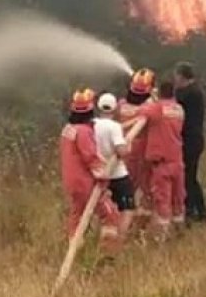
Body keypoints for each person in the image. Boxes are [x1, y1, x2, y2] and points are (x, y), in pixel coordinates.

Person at [59, 88, 120, 255]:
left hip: (71, 183)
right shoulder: (84, 132)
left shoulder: (68, 129)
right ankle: (107, 255)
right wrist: (103, 175)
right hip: (85, 184)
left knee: (77, 217)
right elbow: (91, 157)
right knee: (110, 215)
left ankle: (76, 252)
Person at [130, 80, 187, 240]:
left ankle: (161, 241)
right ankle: (180, 235)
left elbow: (140, 112)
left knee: (162, 202)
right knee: (178, 201)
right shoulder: (179, 109)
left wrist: (152, 97)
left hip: (161, 165)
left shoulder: (157, 108)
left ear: (160, 92)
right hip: (177, 162)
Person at [95, 92, 136, 238]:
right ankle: (120, 238)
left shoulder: (92, 125)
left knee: (105, 211)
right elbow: (121, 151)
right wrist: (128, 146)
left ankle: (105, 238)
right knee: (128, 208)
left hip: (99, 175)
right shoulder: (114, 127)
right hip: (118, 175)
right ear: (115, 109)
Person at [118, 68, 155, 220]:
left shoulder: (121, 104)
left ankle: (123, 214)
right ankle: (135, 217)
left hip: (122, 150)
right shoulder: (146, 108)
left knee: (126, 184)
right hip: (141, 150)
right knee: (143, 186)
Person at [174, 62, 206, 223]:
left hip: (190, 142)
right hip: (194, 140)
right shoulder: (193, 91)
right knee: (190, 177)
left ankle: (195, 212)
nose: (175, 80)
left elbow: (175, 105)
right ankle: (198, 212)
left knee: (188, 178)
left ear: (182, 76)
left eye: (177, 77)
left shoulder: (190, 93)